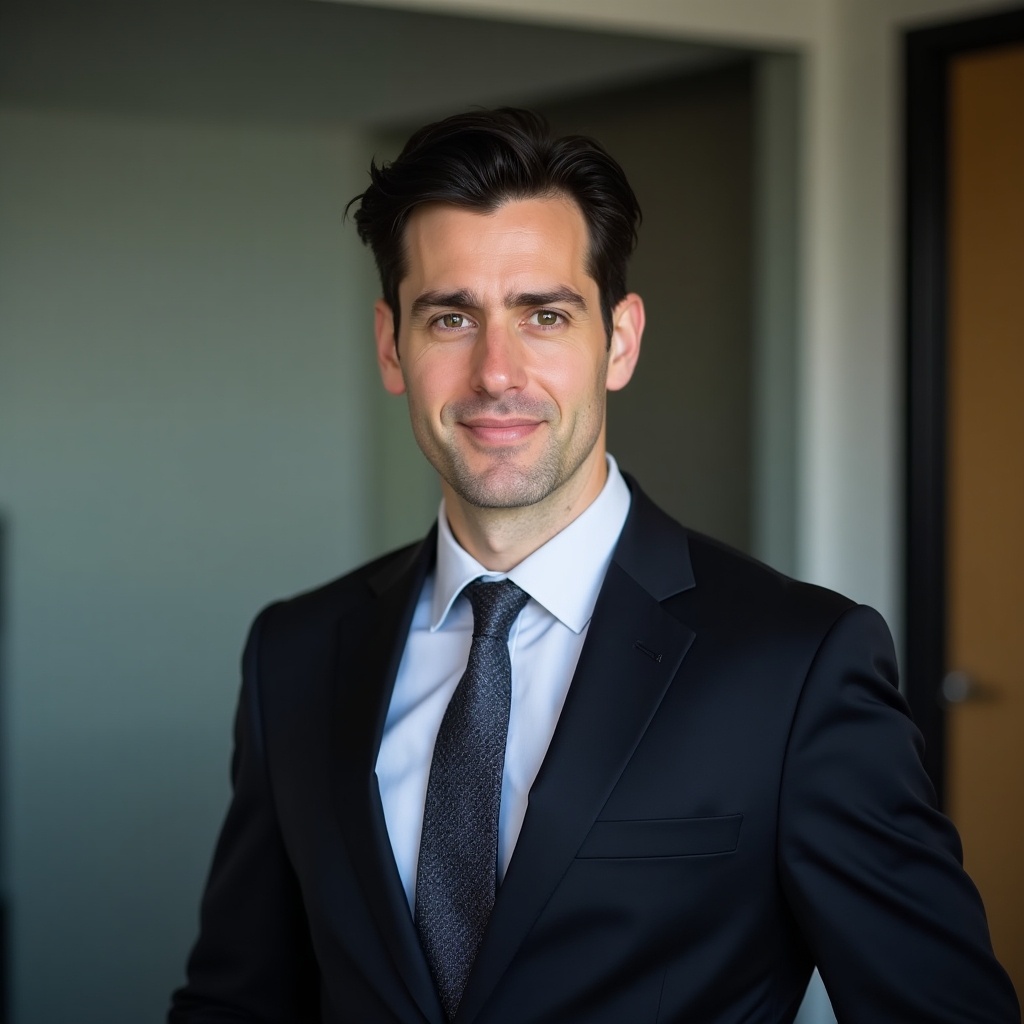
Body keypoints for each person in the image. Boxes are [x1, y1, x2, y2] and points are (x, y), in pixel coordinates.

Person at [168, 108, 1019, 1024]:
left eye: (545, 315)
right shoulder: (294, 653)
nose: (496, 373)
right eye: (451, 317)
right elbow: (236, 1000)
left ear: (619, 340)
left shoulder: (798, 665)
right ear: (391, 345)